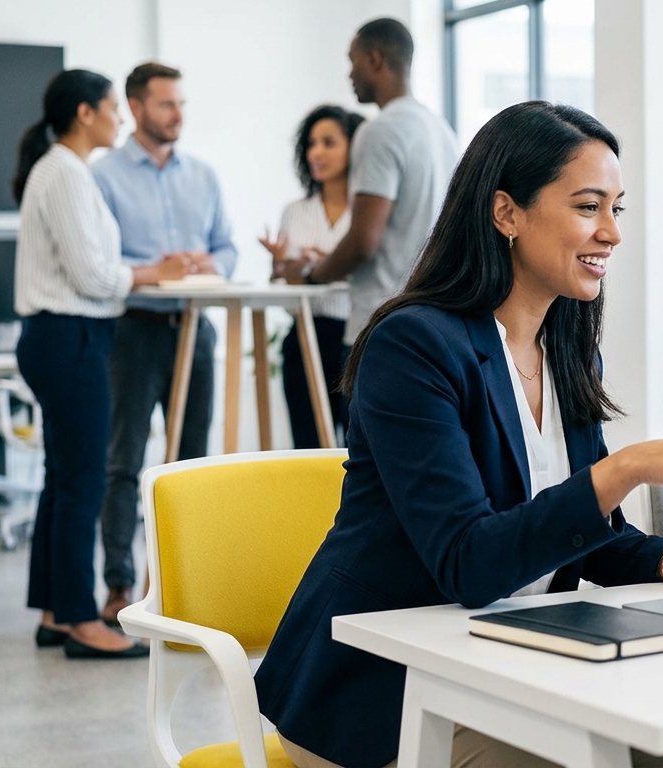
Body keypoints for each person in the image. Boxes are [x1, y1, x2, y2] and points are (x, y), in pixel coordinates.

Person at [255, 101, 663, 768]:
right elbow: (469, 564)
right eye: (589, 206)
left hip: (510, 667)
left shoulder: (564, 348)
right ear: (507, 213)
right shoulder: (412, 347)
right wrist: (623, 470)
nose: (612, 233)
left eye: (617, 209)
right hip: (381, 696)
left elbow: (588, 538)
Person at [11, 69, 189, 659]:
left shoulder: (64, 170)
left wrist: (138, 273)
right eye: (114, 107)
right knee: (81, 479)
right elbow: (91, 275)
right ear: (85, 113)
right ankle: (83, 622)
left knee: (63, 480)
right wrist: (149, 273)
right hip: (69, 336)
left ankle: (55, 612)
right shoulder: (64, 172)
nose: (119, 116)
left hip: (64, 336)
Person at [91, 62, 238, 624]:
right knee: (124, 461)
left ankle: (183, 589)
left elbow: (227, 249)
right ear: (135, 106)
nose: (177, 115)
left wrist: (208, 263)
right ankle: (119, 588)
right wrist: (160, 268)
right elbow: (100, 265)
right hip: (134, 330)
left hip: (193, 332)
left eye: (181, 105)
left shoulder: (202, 175)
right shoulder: (103, 176)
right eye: (165, 105)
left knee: (190, 466)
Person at [277, 17, 460, 352]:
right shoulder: (442, 131)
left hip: (382, 322)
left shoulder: (380, 131)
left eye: (352, 60)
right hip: (435, 318)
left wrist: (309, 273)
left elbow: (364, 241)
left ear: (375, 59)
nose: (349, 74)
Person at [259, 105, 365, 448]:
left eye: (328, 142)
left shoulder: (370, 213)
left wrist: (323, 266)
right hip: (305, 338)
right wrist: (283, 269)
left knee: (357, 444)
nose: (316, 152)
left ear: (355, 147)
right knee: (307, 448)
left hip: (356, 337)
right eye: (311, 144)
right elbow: (286, 284)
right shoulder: (295, 212)